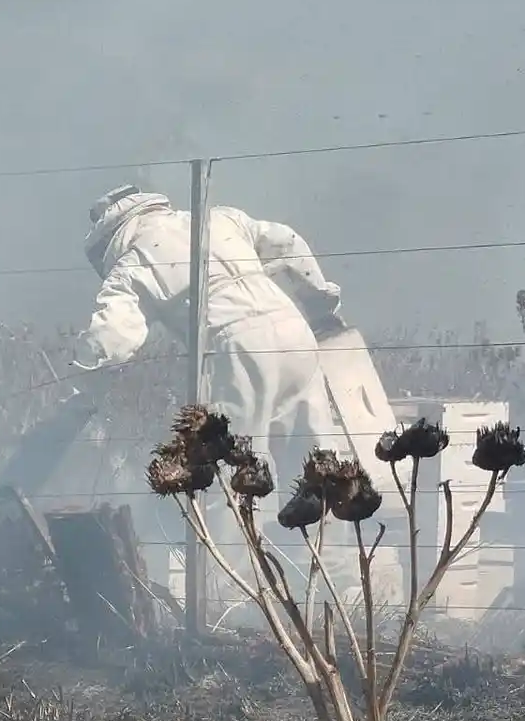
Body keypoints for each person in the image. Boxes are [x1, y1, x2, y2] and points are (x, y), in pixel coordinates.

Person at [72, 184, 345, 500]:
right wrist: (320, 303)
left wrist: (81, 380)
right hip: (295, 329)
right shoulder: (220, 218)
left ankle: (235, 546)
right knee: (317, 455)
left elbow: (111, 338)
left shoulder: (132, 263)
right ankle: (332, 541)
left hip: (236, 347)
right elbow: (287, 241)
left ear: (108, 236)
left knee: (237, 467)